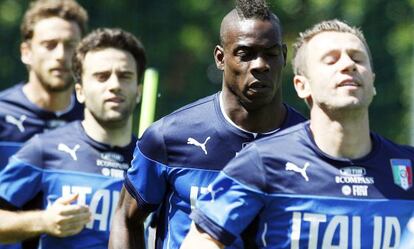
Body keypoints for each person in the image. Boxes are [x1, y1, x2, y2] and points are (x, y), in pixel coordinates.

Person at [180, 19, 414, 249]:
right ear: (302, 85)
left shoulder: (408, 165)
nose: (347, 65)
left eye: (357, 58)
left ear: (372, 82)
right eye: (331, 60)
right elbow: (203, 239)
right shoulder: (261, 161)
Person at [109, 0, 306, 249]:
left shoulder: (309, 143)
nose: (260, 65)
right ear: (221, 58)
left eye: (271, 53)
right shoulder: (169, 136)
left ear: (285, 56)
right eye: (246, 54)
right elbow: (126, 219)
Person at [0, 28, 146, 249]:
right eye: (102, 76)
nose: (114, 85)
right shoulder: (43, 149)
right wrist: (42, 221)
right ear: (80, 91)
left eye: (125, 76)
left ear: (138, 91)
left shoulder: (151, 160)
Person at [0, 0, 88, 168]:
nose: (61, 55)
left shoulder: (93, 121)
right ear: (26, 52)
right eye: (49, 45)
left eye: (71, 45)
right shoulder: (2, 114)